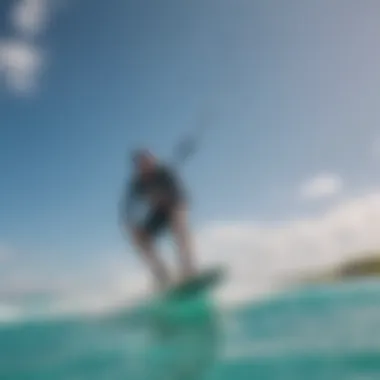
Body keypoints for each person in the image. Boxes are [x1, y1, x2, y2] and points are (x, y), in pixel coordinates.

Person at [119, 149, 195, 291]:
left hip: (175, 206)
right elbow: (128, 208)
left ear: (153, 160)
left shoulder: (165, 173)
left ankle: (188, 270)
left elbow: (181, 197)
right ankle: (163, 276)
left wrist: (163, 196)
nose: (145, 166)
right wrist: (130, 224)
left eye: (147, 161)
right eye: (140, 164)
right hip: (158, 214)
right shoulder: (137, 184)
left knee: (179, 223)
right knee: (137, 236)